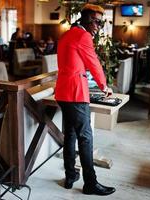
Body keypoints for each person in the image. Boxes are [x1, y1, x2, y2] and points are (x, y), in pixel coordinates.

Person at [55, 3, 115, 196]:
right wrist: (104, 86)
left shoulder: (66, 34)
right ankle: (91, 183)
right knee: (85, 137)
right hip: (75, 93)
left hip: (63, 93)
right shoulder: (83, 36)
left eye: (100, 22)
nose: (98, 25)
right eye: (96, 21)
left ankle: (71, 175)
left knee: (71, 135)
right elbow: (94, 63)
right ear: (86, 18)